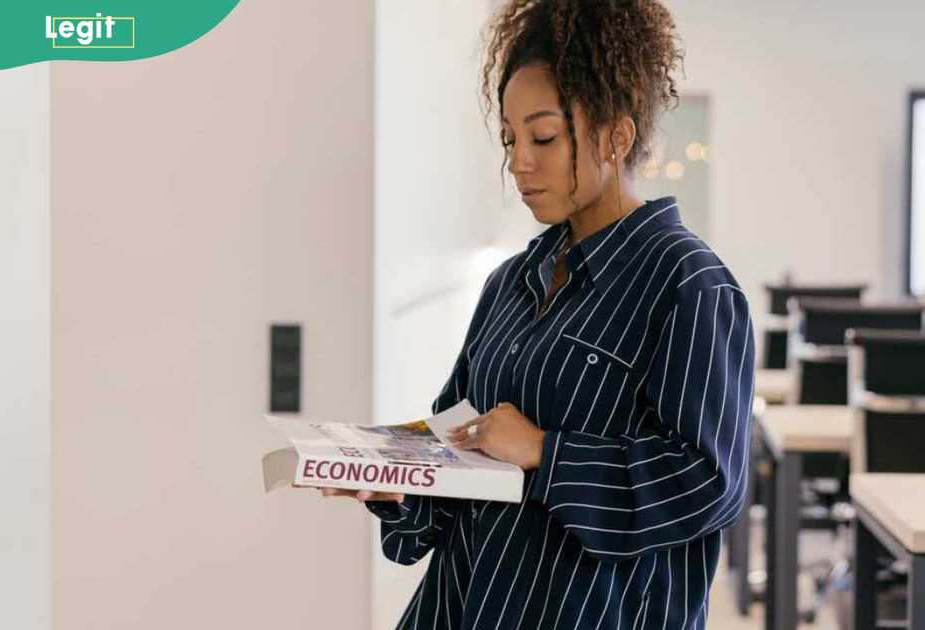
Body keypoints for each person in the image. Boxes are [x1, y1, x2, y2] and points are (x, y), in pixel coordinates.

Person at [320, 1, 755, 627]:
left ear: (616, 134)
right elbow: (459, 449)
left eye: (543, 136)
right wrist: (395, 481)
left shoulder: (690, 286)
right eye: (510, 138)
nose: (521, 161)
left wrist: (545, 452)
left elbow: (707, 486)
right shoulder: (510, 283)